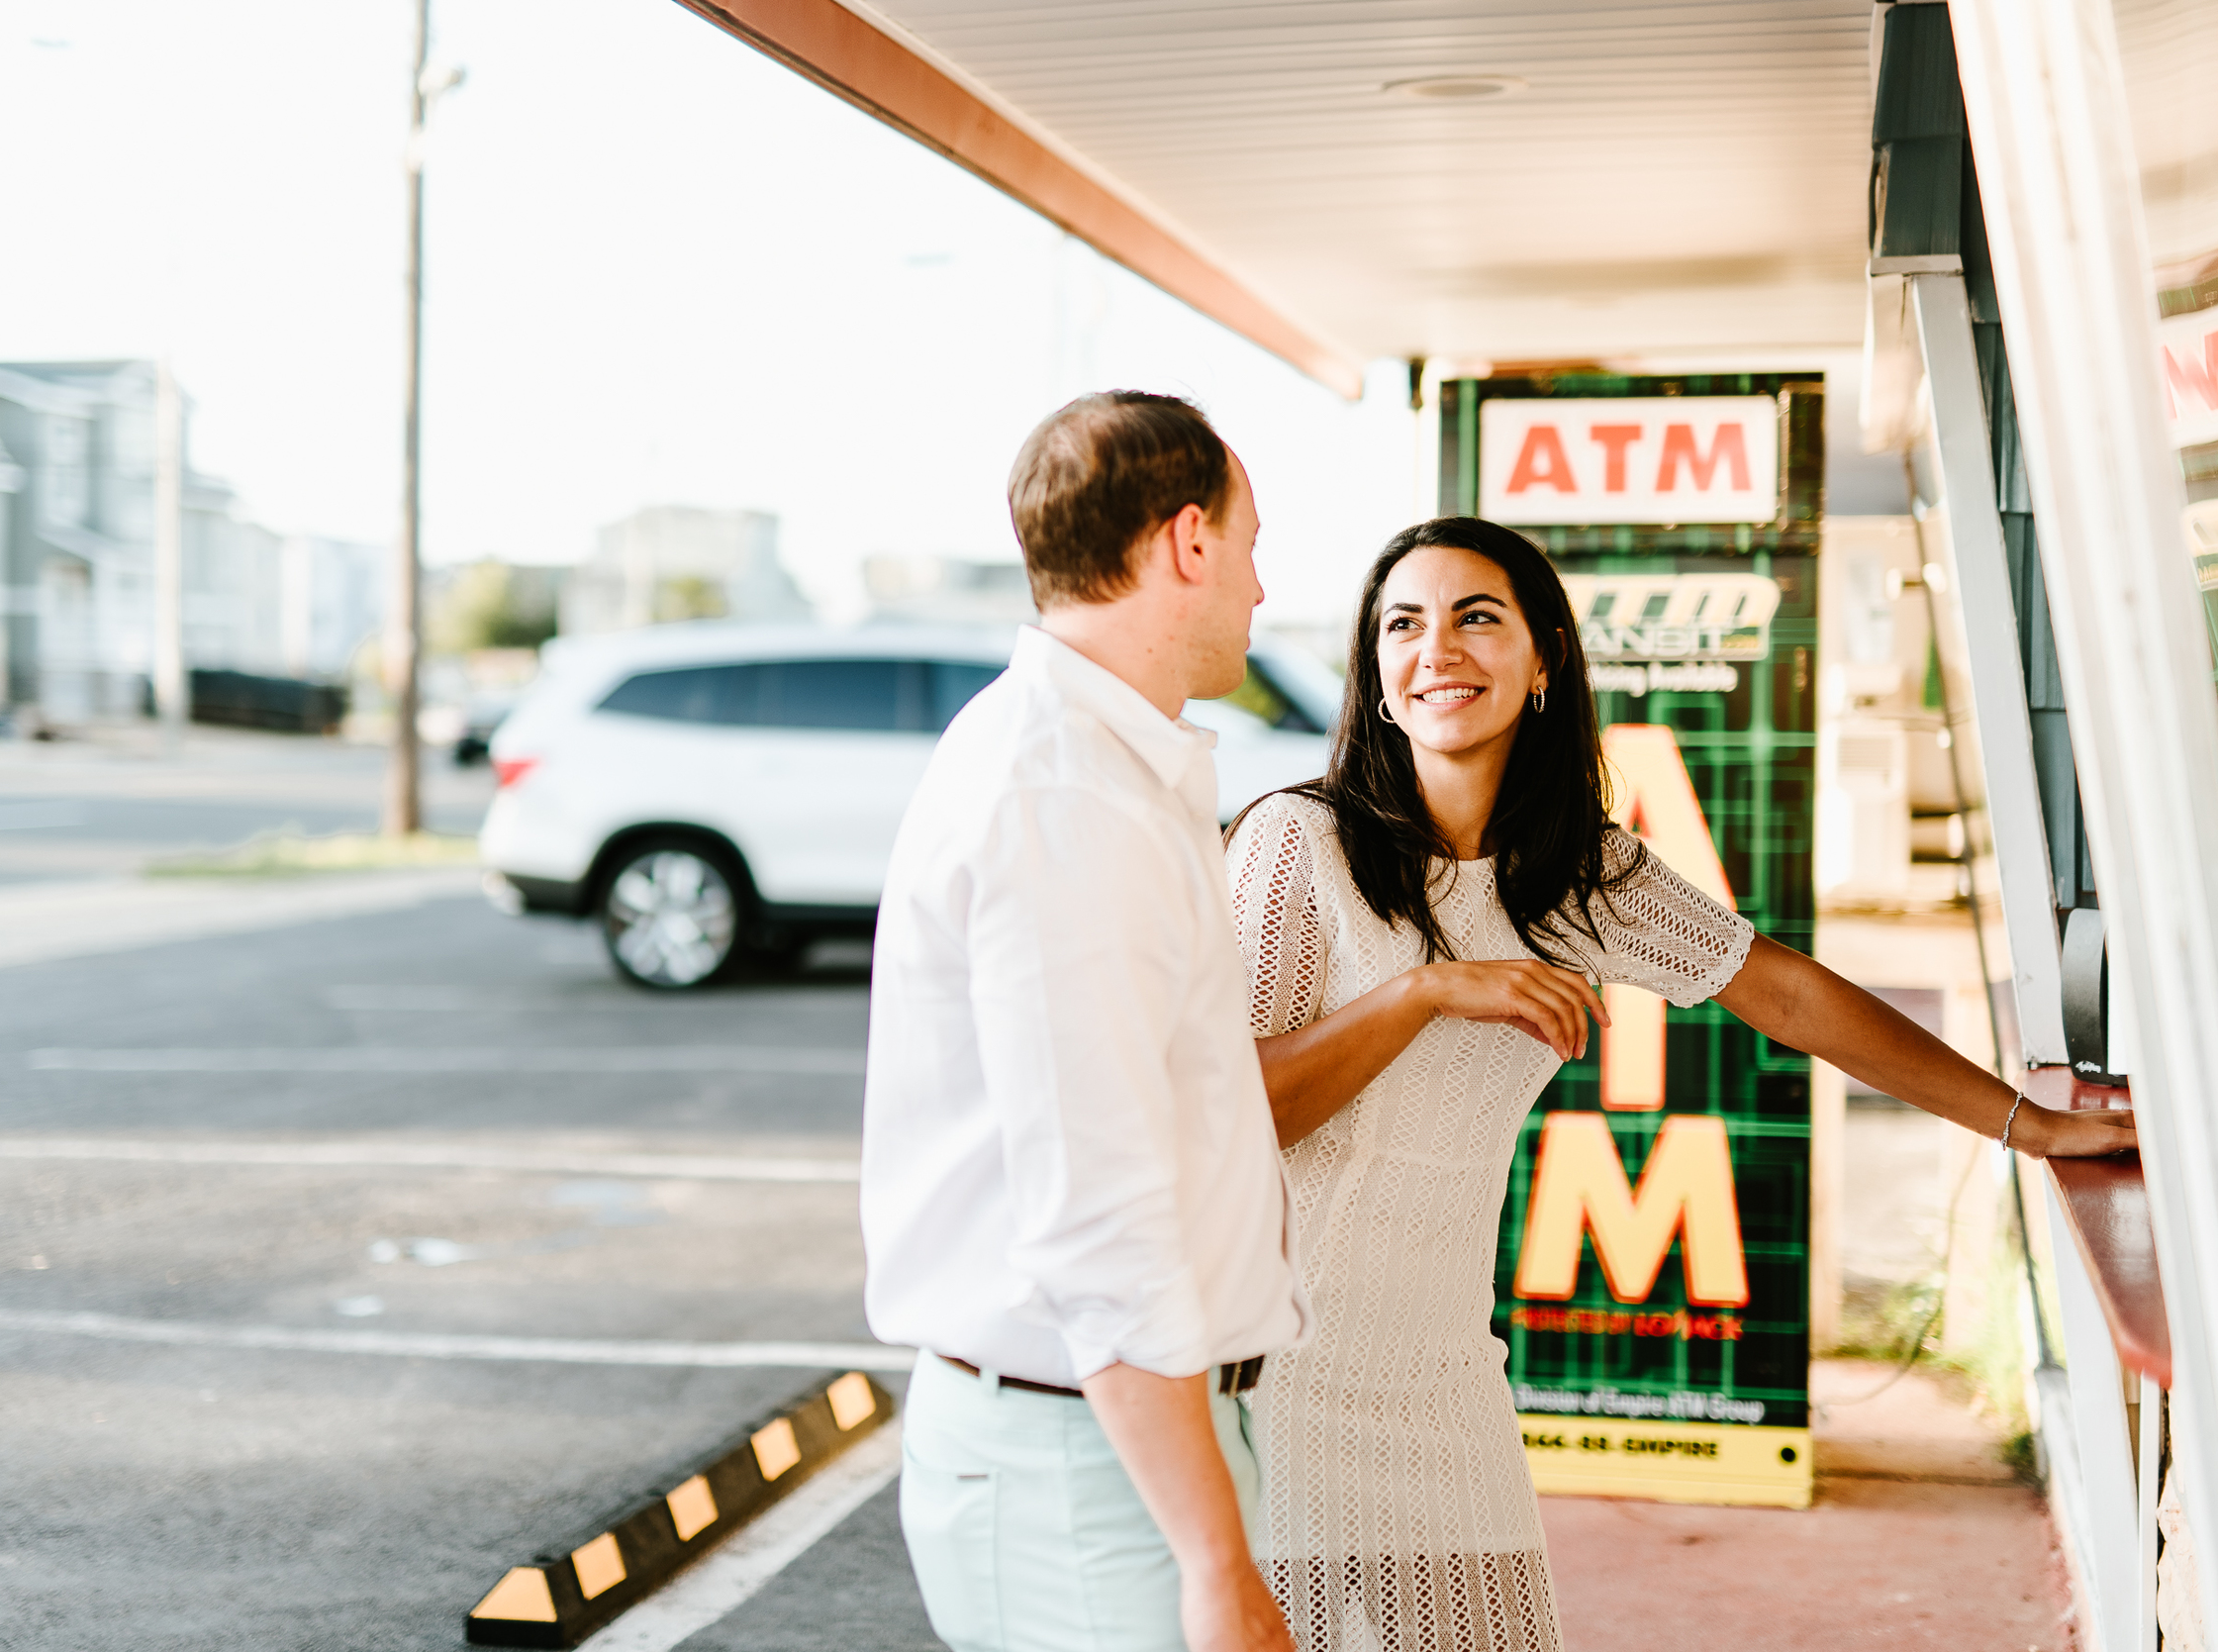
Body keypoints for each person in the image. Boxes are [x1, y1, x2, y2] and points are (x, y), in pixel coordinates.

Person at [1223, 516, 2137, 1652]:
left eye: (1476, 618)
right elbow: (1238, 1115)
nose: (1435, 649)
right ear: (1372, 668)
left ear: (1544, 654)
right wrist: (1424, 993)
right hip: (1275, 1380)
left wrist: (2027, 1124)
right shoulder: (1294, 844)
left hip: (1446, 1380)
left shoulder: (1579, 873)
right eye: (1401, 624)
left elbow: (1788, 995)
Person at [863, 391, 1312, 1652]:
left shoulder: (1104, 765)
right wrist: (1217, 1566)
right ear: (1186, 544)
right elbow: (1096, 1217)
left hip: (1120, 1439)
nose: (1260, 588)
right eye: (1251, 543)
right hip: (1082, 1468)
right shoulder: (1065, 796)